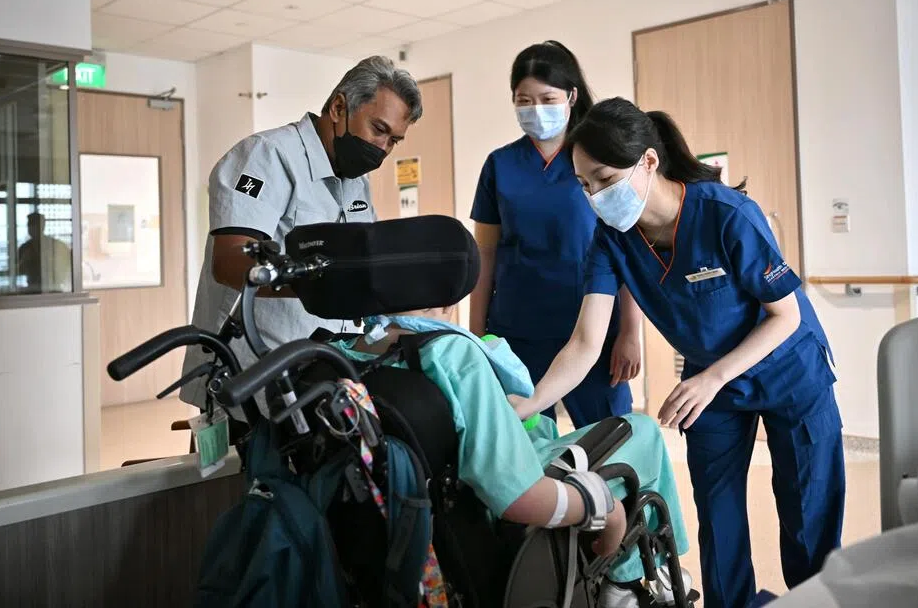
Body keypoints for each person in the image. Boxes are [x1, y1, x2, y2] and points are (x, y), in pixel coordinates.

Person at [511, 98, 846, 608]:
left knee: (808, 511)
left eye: (603, 178)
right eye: (584, 185)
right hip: (710, 383)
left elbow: (787, 316)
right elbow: (585, 344)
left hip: (787, 370)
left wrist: (712, 378)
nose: (596, 196)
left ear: (648, 160)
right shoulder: (611, 241)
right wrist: (530, 405)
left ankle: (818, 602)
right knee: (718, 516)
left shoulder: (725, 214)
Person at [336, 307, 693, 606]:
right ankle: (628, 581)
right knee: (642, 431)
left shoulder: (334, 354)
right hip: (502, 503)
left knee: (545, 430)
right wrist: (607, 510)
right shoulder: (449, 353)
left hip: (405, 524)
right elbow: (517, 496)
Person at [180, 56, 422, 417]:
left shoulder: (356, 183)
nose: (383, 148)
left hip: (316, 377)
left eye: (394, 141)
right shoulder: (268, 156)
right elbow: (229, 261)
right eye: (378, 129)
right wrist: (324, 281)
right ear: (339, 107)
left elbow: (363, 264)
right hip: (246, 375)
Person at [469, 41, 641, 430]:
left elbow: (625, 244)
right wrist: (476, 334)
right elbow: (486, 254)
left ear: (572, 96)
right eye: (524, 100)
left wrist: (630, 331)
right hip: (517, 332)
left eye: (547, 98)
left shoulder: (598, 160)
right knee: (525, 446)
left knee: (610, 441)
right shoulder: (500, 165)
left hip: (591, 328)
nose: (535, 109)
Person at [17, 212, 72, 293]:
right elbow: (18, 271)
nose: (31, 228)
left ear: (42, 226)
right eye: (29, 225)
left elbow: (66, 266)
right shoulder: (25, 248)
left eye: (34, 225)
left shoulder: (56, 245)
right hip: (32, 290)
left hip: (53, 289)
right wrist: (24, 260)